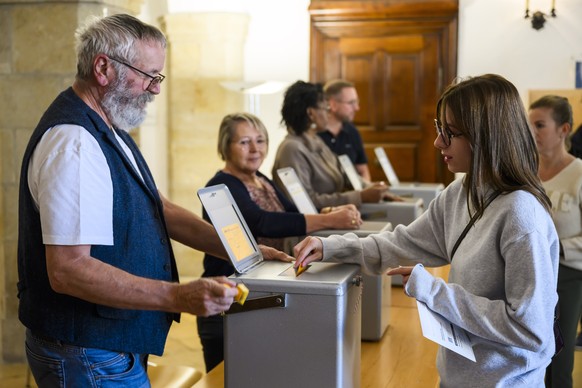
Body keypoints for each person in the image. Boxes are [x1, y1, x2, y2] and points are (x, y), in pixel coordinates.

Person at [17, 14, 288, 387]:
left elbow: (159, 209)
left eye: (158, 77)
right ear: (103, 68)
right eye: (149, 75)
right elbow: (68, 269)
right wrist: (178, 296)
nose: (155, 89)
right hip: (87, 350)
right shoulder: (75, 142)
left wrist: (244, 250)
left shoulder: (110, 127)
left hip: (107, 346)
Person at [294, 74, 560, 387]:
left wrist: (434, 291)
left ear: (485, 135)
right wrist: (331, 247)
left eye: (451, 133)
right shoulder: (462, 191)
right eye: (439, 129)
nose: (438, 142)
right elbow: (400, 243)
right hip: (458, 376)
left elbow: (530, 329)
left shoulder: (520, 214)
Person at [197, 112, 363, 372]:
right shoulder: (221, 184)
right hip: (229, 304)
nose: (255, 149)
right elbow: (262, 222)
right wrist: (328, 221)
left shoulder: (262, 180)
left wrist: (330, 214)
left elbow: (290, 213)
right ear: (225, 146)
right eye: (244, 142)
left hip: (262, 299)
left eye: (261, 140)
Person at [272, 80, 398, 209]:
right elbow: (306, 203)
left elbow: (344, 173)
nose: (329, 113)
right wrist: (360, 196)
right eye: (326, 108)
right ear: (311, 113)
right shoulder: (291, 149)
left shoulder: (316, 141)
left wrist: (375, 189)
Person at [528, 95, 582, 388]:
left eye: (540, 125)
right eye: (529, 125)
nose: (532, 132)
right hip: (530, 274)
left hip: (568, 276)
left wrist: (557, 247)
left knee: (559, 361)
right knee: (530, 355)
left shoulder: (579, 174)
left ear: (564, 129)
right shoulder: (524, 172)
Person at [318, 79, 371, 181]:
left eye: (357, 102)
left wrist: (367, 193)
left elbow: (363, 170)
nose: (357, 108)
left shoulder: (352, 131)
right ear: (332, 104)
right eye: (351, 103)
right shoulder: (313, 135)